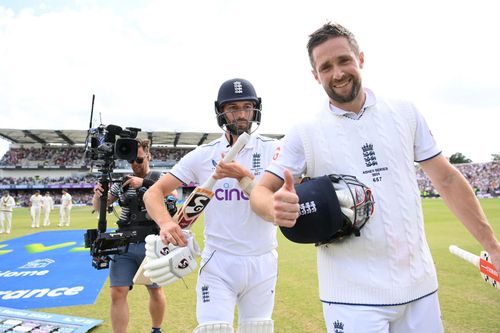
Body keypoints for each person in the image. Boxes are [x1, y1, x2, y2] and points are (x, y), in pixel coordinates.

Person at [249, 22, 500, 333]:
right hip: (350, 297)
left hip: (419, 288)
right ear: (316, 76)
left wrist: (493, 246)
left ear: (361, 59)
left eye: (344, 60)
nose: (337, 73)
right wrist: (273, 207)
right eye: (326, 67)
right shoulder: (304, 131)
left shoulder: (405, 112)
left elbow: (447, 180)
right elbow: (260, 193)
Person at [144, 78, 279, 333]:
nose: (241, 114)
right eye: (233, 108)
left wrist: (244, 176)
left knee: (257, 330)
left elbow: (278, 204)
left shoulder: (275, 150)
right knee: (213, 329)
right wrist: (165, 222)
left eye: (247, 107)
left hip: (263, 261)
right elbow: (153, 193)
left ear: (256, 108)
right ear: (221, 112)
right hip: (219, 263)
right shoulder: (203, 155)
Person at [93, 138, 173, 333]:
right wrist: (98, 195)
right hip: (124, 244)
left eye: (138, 160)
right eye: (131, 161)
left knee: (155, 289)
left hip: (152, 245)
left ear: (148, 155)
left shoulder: (161, 177)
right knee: (117, 292)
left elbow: (173, 194)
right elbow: (99, 208)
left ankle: (156, 330)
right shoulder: (122, 182)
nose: (135, 165)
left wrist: (144, 183)